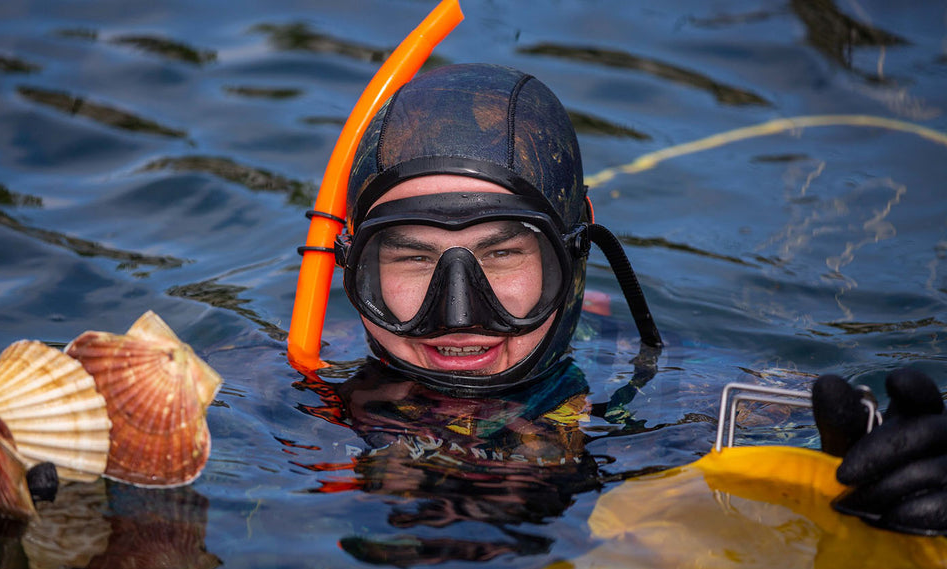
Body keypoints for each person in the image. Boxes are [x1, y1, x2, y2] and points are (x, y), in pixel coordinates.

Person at [325, 62, 947, 536]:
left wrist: (897, 479)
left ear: (574, 251)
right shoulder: (276, 394)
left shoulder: (705, 403)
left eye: (503, 253)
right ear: (353, 266)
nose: (458, 314)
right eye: (411, 256)